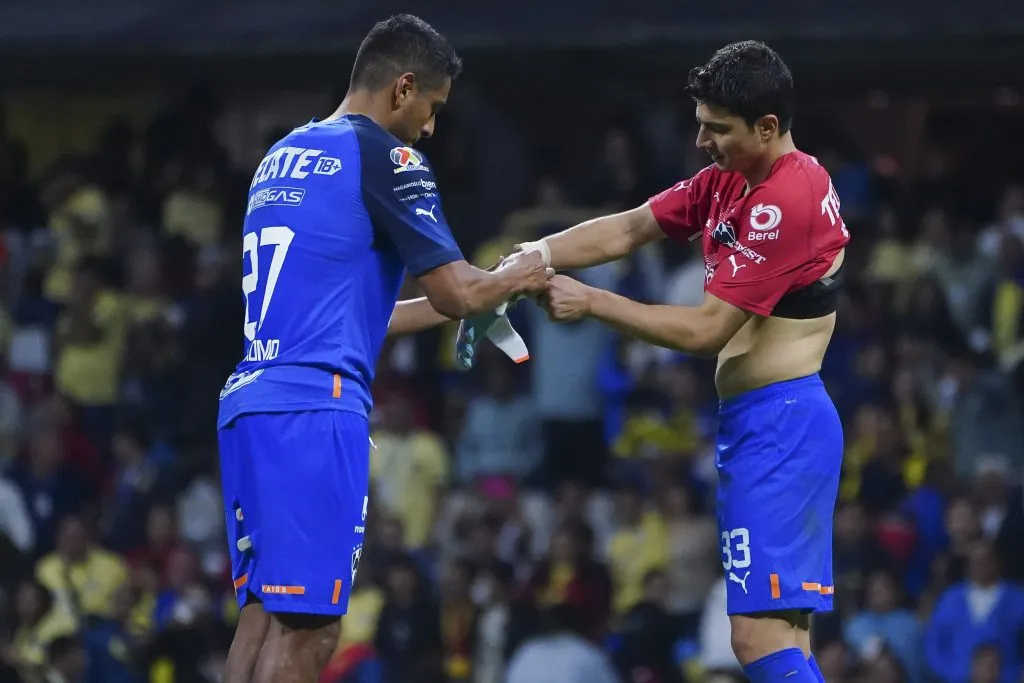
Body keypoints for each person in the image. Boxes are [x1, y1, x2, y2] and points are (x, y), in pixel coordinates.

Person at [216, 14, 552, 683]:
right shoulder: (388, 156)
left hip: (252, 403)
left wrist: (466, 303)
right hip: (317, 409)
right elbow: (459, 288)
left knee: (260, 616)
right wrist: (525, 273)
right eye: (431, 108)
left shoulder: (283, 154)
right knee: (310, 630)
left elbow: (349, 314)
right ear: (402, 89)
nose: (429, 129)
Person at [509, 41, 850, 683]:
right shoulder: (732, 177)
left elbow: (705, 331)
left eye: (716, 128)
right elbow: (631, 228)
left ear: (767, 128)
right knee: (787, 640)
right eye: (700, 122)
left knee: (755, 641)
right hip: (765, 423)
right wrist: (536, 254)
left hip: (781, 427)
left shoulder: (790, 198)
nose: (701, 140)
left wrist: (593, 301)